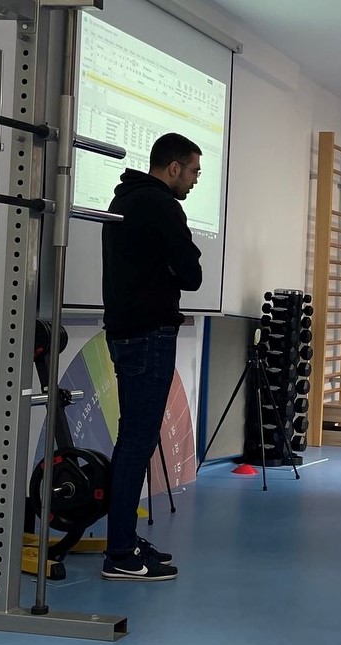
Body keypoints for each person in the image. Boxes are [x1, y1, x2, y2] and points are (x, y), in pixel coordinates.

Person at [100, 133, 203, 580]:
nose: (195, 180)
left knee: (134, 440)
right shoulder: (161, 204)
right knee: (137, 441)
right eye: (194, 171)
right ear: (173, 167)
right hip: (148, 336)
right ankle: (121, 552)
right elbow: (192, 273)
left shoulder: (124, 197)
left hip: (127, 332)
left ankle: (124, 538)